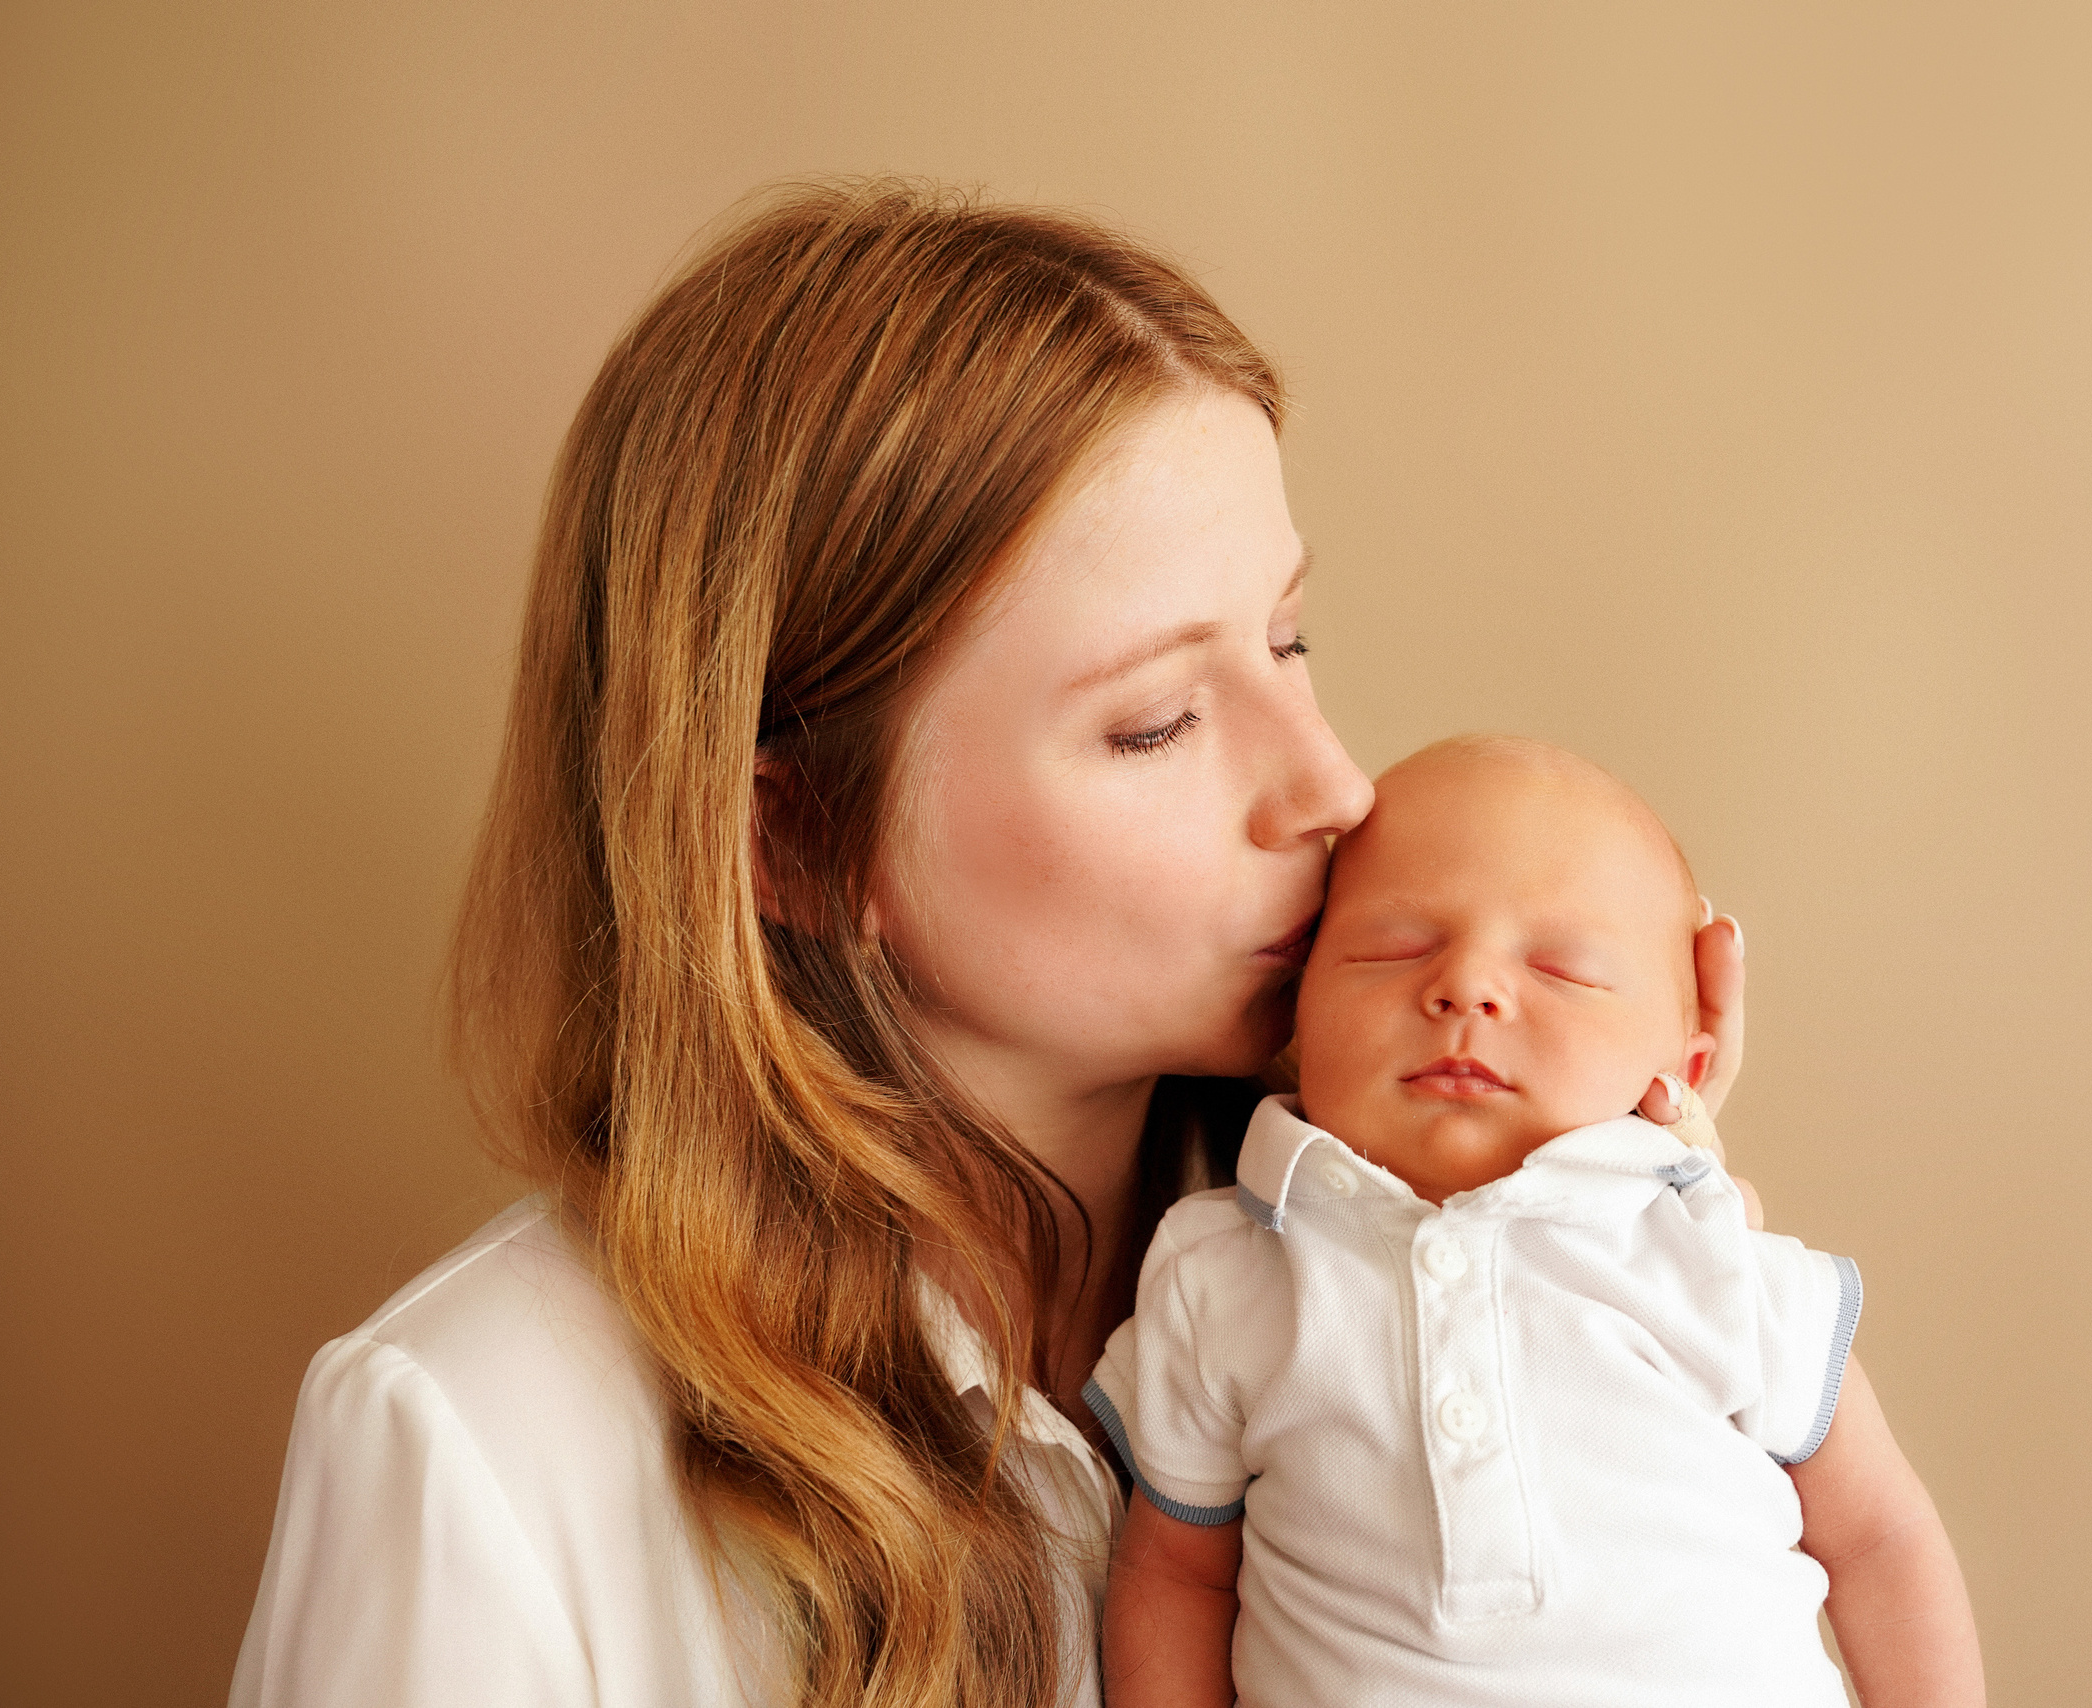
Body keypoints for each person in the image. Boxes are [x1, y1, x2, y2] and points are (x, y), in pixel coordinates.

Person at [227, 183, 1748, 1708]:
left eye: (1288, 640)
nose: (1333, 787)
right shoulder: (480, 1451)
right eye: (1153, 723)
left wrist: (1618, 1214)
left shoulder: (1442, 1235)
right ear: (793, 840)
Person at [1092, 737, 1981, 1708]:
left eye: (1563, 969)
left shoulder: (1715, 1263)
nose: (1467, 985)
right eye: (1393, 946)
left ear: (1686, 1065)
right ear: (1297, 1009)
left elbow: (1879, 1540)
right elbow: (1176, 1574)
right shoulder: (1221, 1274)